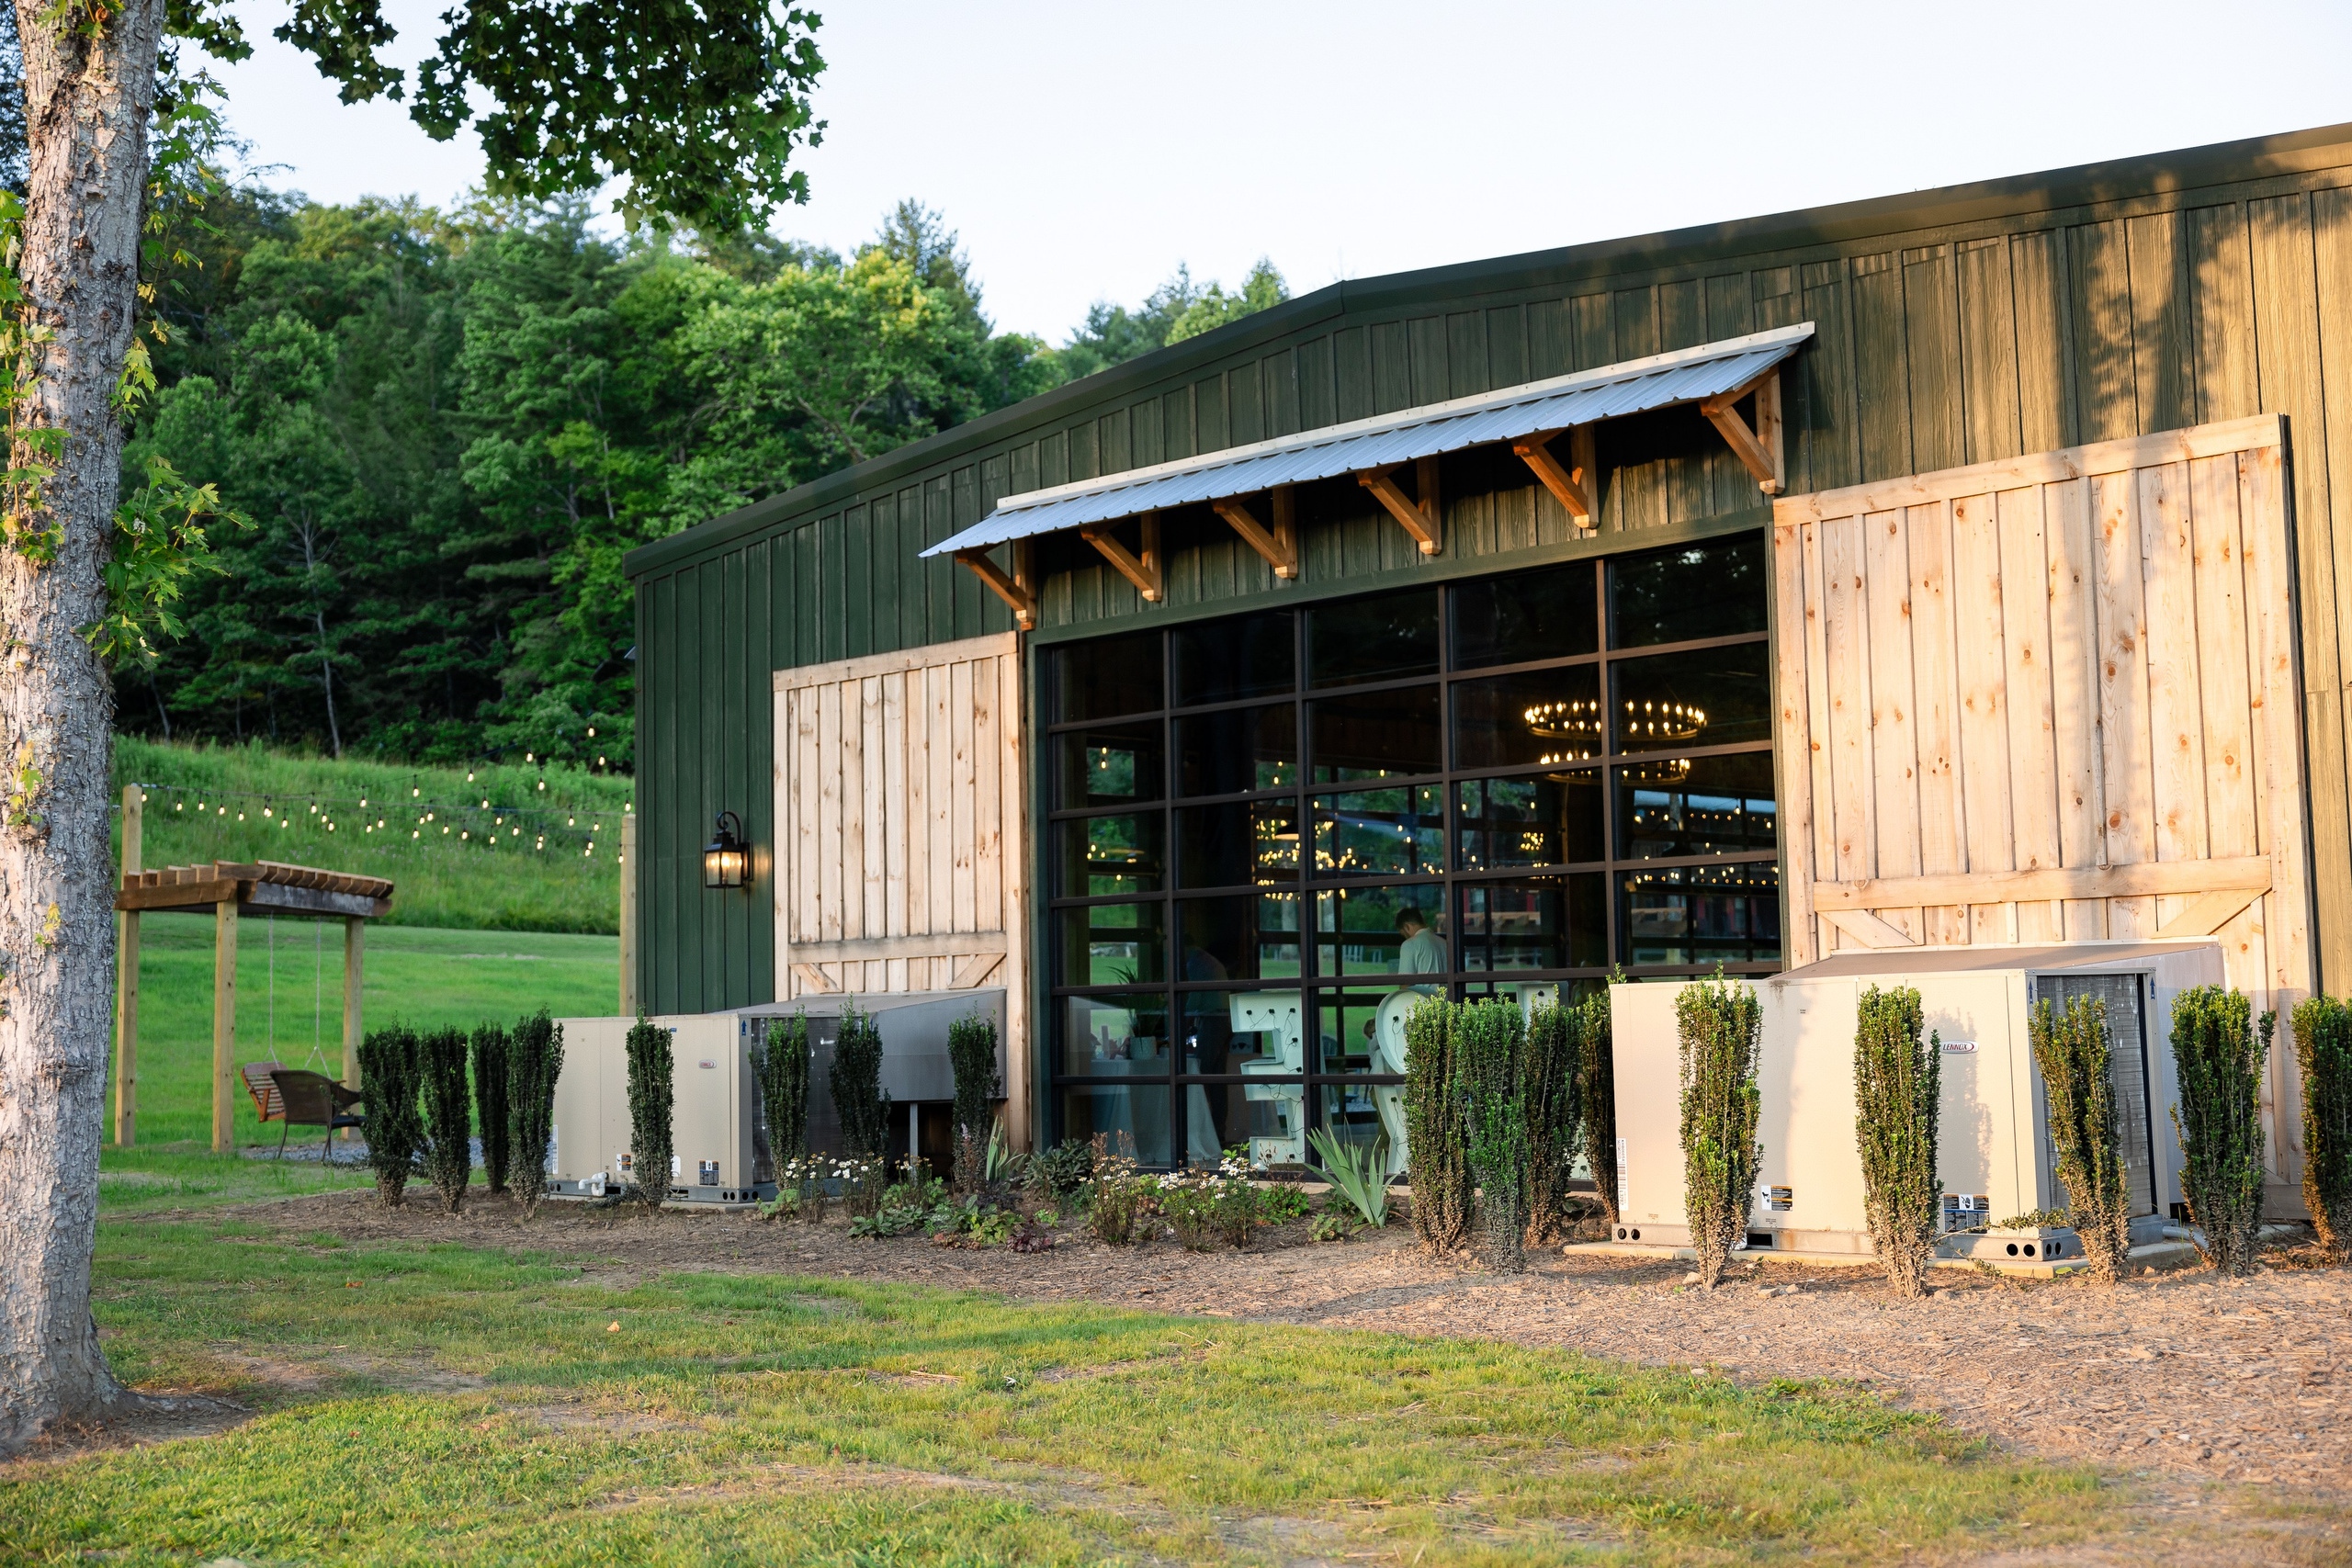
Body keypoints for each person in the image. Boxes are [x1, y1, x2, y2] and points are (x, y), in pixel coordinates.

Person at [1395, 906, 1447, 976]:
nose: (1405, 938)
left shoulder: (1409, 945)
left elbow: (1405, 982)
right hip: (1445, 987)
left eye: (1403, 935)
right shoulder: (1444, 943)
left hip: (1422, 987)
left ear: (1406, 927)